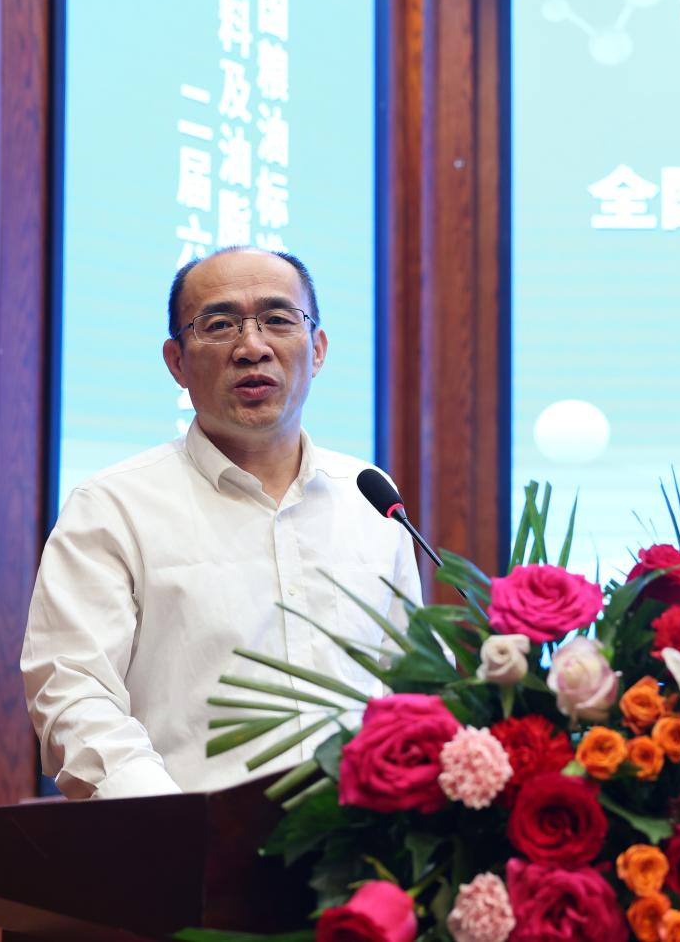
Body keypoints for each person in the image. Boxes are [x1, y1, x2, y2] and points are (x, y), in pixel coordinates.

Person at [21, 247, 421, 799]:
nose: (252, 347)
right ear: (177, 362)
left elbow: (411, 683)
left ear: (318, 349)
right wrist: (176, 827)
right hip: (189, 839)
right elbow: (75, 695)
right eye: (219, 325)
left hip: (360, 837)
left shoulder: (368, 496)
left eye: (278, 319)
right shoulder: (111, 506)